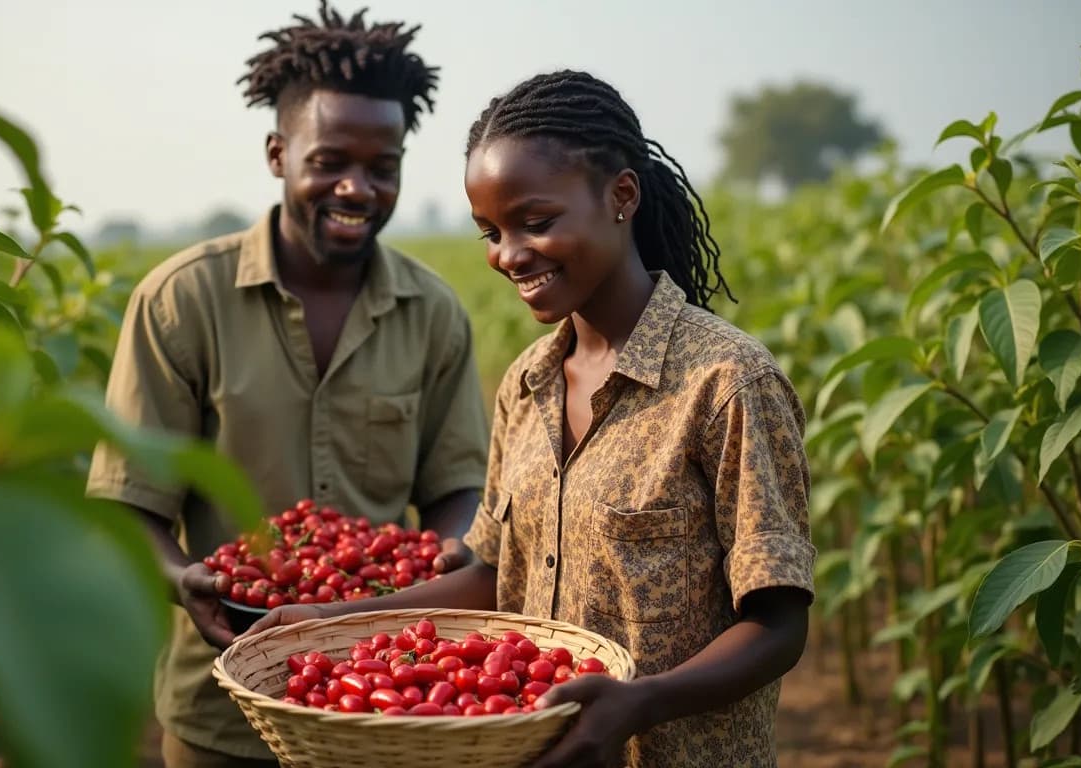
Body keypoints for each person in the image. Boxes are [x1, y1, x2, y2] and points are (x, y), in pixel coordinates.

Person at [249, 69, 817, 768]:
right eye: (490, 231)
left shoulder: (726, 384)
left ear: (622, 196)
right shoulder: (527, 384)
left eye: (536, 223)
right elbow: (494, 575)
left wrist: (640, 701)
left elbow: (778, 625)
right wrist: (326, 624)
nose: (509, 255)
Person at [84, 4, 489, 766]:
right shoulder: (182, 301)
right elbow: (129, 503)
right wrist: (186, 580)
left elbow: (456, 483)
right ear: (277, 153)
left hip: (384, 697)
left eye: (383, 167)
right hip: (224, 707)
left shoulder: (433, 314)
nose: (357, 189)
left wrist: (449, 551)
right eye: (330, 160)